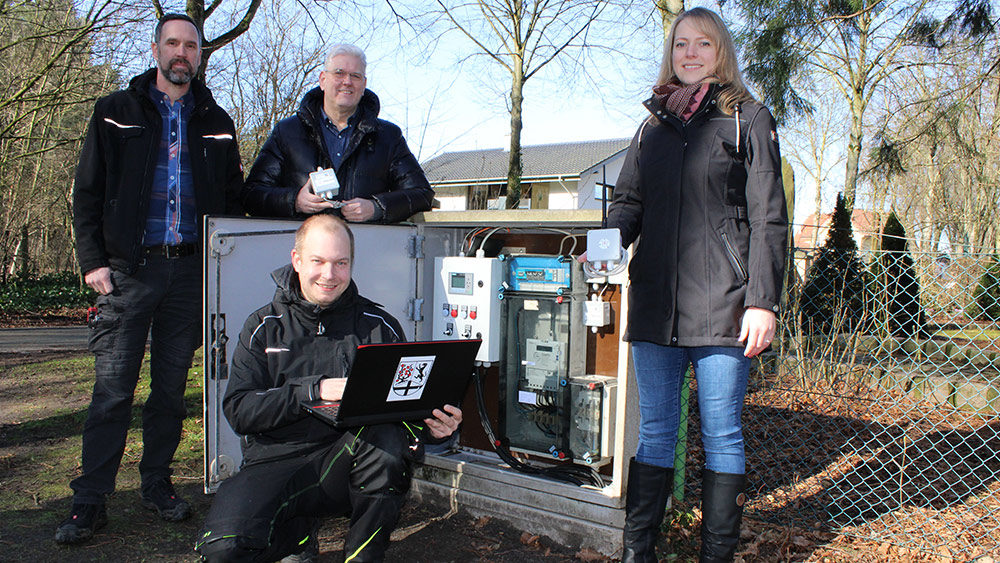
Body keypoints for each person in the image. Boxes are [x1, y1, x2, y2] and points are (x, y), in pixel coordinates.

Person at [584, 8, 787, 562]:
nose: (690, 53)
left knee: (721, 434)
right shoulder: (652, 125)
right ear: (669, 53)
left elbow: (770, 217)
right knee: (654, 431)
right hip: (655, 305)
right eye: (680, 44)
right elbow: (629, 202)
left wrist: (762, 302)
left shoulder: (748, 118)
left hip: (725, 308)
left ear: (721, 51)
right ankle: (638, 553)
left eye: (702, 43)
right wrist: (603, 247)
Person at [55, 13, 244, 544]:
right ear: (156, 49)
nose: (182, 53)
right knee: (112, 392)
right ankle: (90, 500)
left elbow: (233, 200)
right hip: (127, 273)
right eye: (173, 43)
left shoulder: (218, 120)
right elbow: (87, 192)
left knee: (169, 393)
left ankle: (156, 484)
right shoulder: (115, 111)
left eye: (191, 46)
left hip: (188, 274)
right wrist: (93, 261)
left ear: (200, 55)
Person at [195, 214, 463, 562]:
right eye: (318, 261)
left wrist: (433, 428)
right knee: (223, 550)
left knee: (386, 442)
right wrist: (313, 391)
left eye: (341, 263)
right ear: (297, 260)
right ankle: (296, 536)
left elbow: (403, 409)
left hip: (345, 464)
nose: (329, 274)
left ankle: (362, 556)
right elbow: (239, 411)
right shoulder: (263, 326)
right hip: (274, 461)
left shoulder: (379, 327)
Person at [240, 43, 434, 223]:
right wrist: (294, 201)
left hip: (363, 245)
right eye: (339, 73)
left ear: (364, 84)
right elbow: (250, 195)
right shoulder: (287, 132)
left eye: (355, 76)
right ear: (323, 80)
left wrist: (376, 207)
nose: (347, 82)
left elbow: (422, 194)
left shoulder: (387, 136)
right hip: (303, 245)